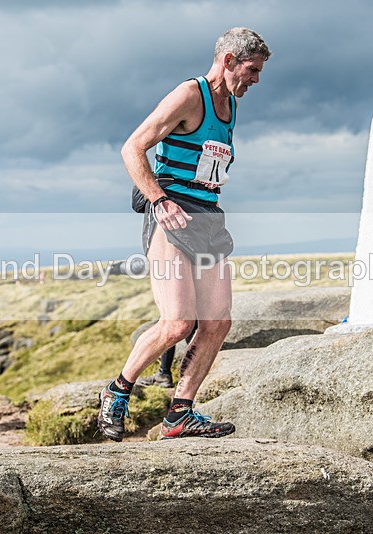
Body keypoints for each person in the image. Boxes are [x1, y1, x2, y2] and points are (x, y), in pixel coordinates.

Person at [98, 28, 270, 441]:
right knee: (177, 323)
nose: (256, 80)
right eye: (252, 70)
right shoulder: (190, 95)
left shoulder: (231, 105)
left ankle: (180, 414)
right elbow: (132, 148)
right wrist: (159, 200)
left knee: (217, 323)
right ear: (228, 60)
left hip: (208, 218)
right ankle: (117, 391)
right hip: (171, 215)